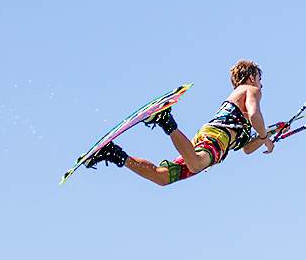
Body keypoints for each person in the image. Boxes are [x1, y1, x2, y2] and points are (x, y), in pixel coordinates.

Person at [86, 60, 274, 185]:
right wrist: (264, 135)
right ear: (251, 77)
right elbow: (255, 114)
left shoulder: (239, 98)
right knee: (196, 164)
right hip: (217, 138)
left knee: (162, 177)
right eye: (259, 79)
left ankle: (114, 154)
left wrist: (268, 136)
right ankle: (166, 120)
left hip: (211, 138)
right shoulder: (250, 89)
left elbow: (246, 149)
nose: (261, 84)